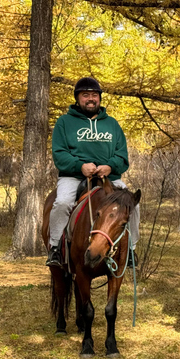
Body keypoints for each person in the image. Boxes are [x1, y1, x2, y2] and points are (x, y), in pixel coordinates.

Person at [45, 77, 140, 267]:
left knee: (134, 206)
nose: (90, 99)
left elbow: (122, 157)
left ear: (99, 98)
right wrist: (80, 166)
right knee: (62, 202)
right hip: (74, 177)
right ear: (77, 98)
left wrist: (110, 167)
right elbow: (59, 154)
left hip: (109, 180)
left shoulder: (112, 124)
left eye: (94, 95)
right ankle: (55, 248)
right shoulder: (64, 122)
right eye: (85, 95)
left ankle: (130, 249)